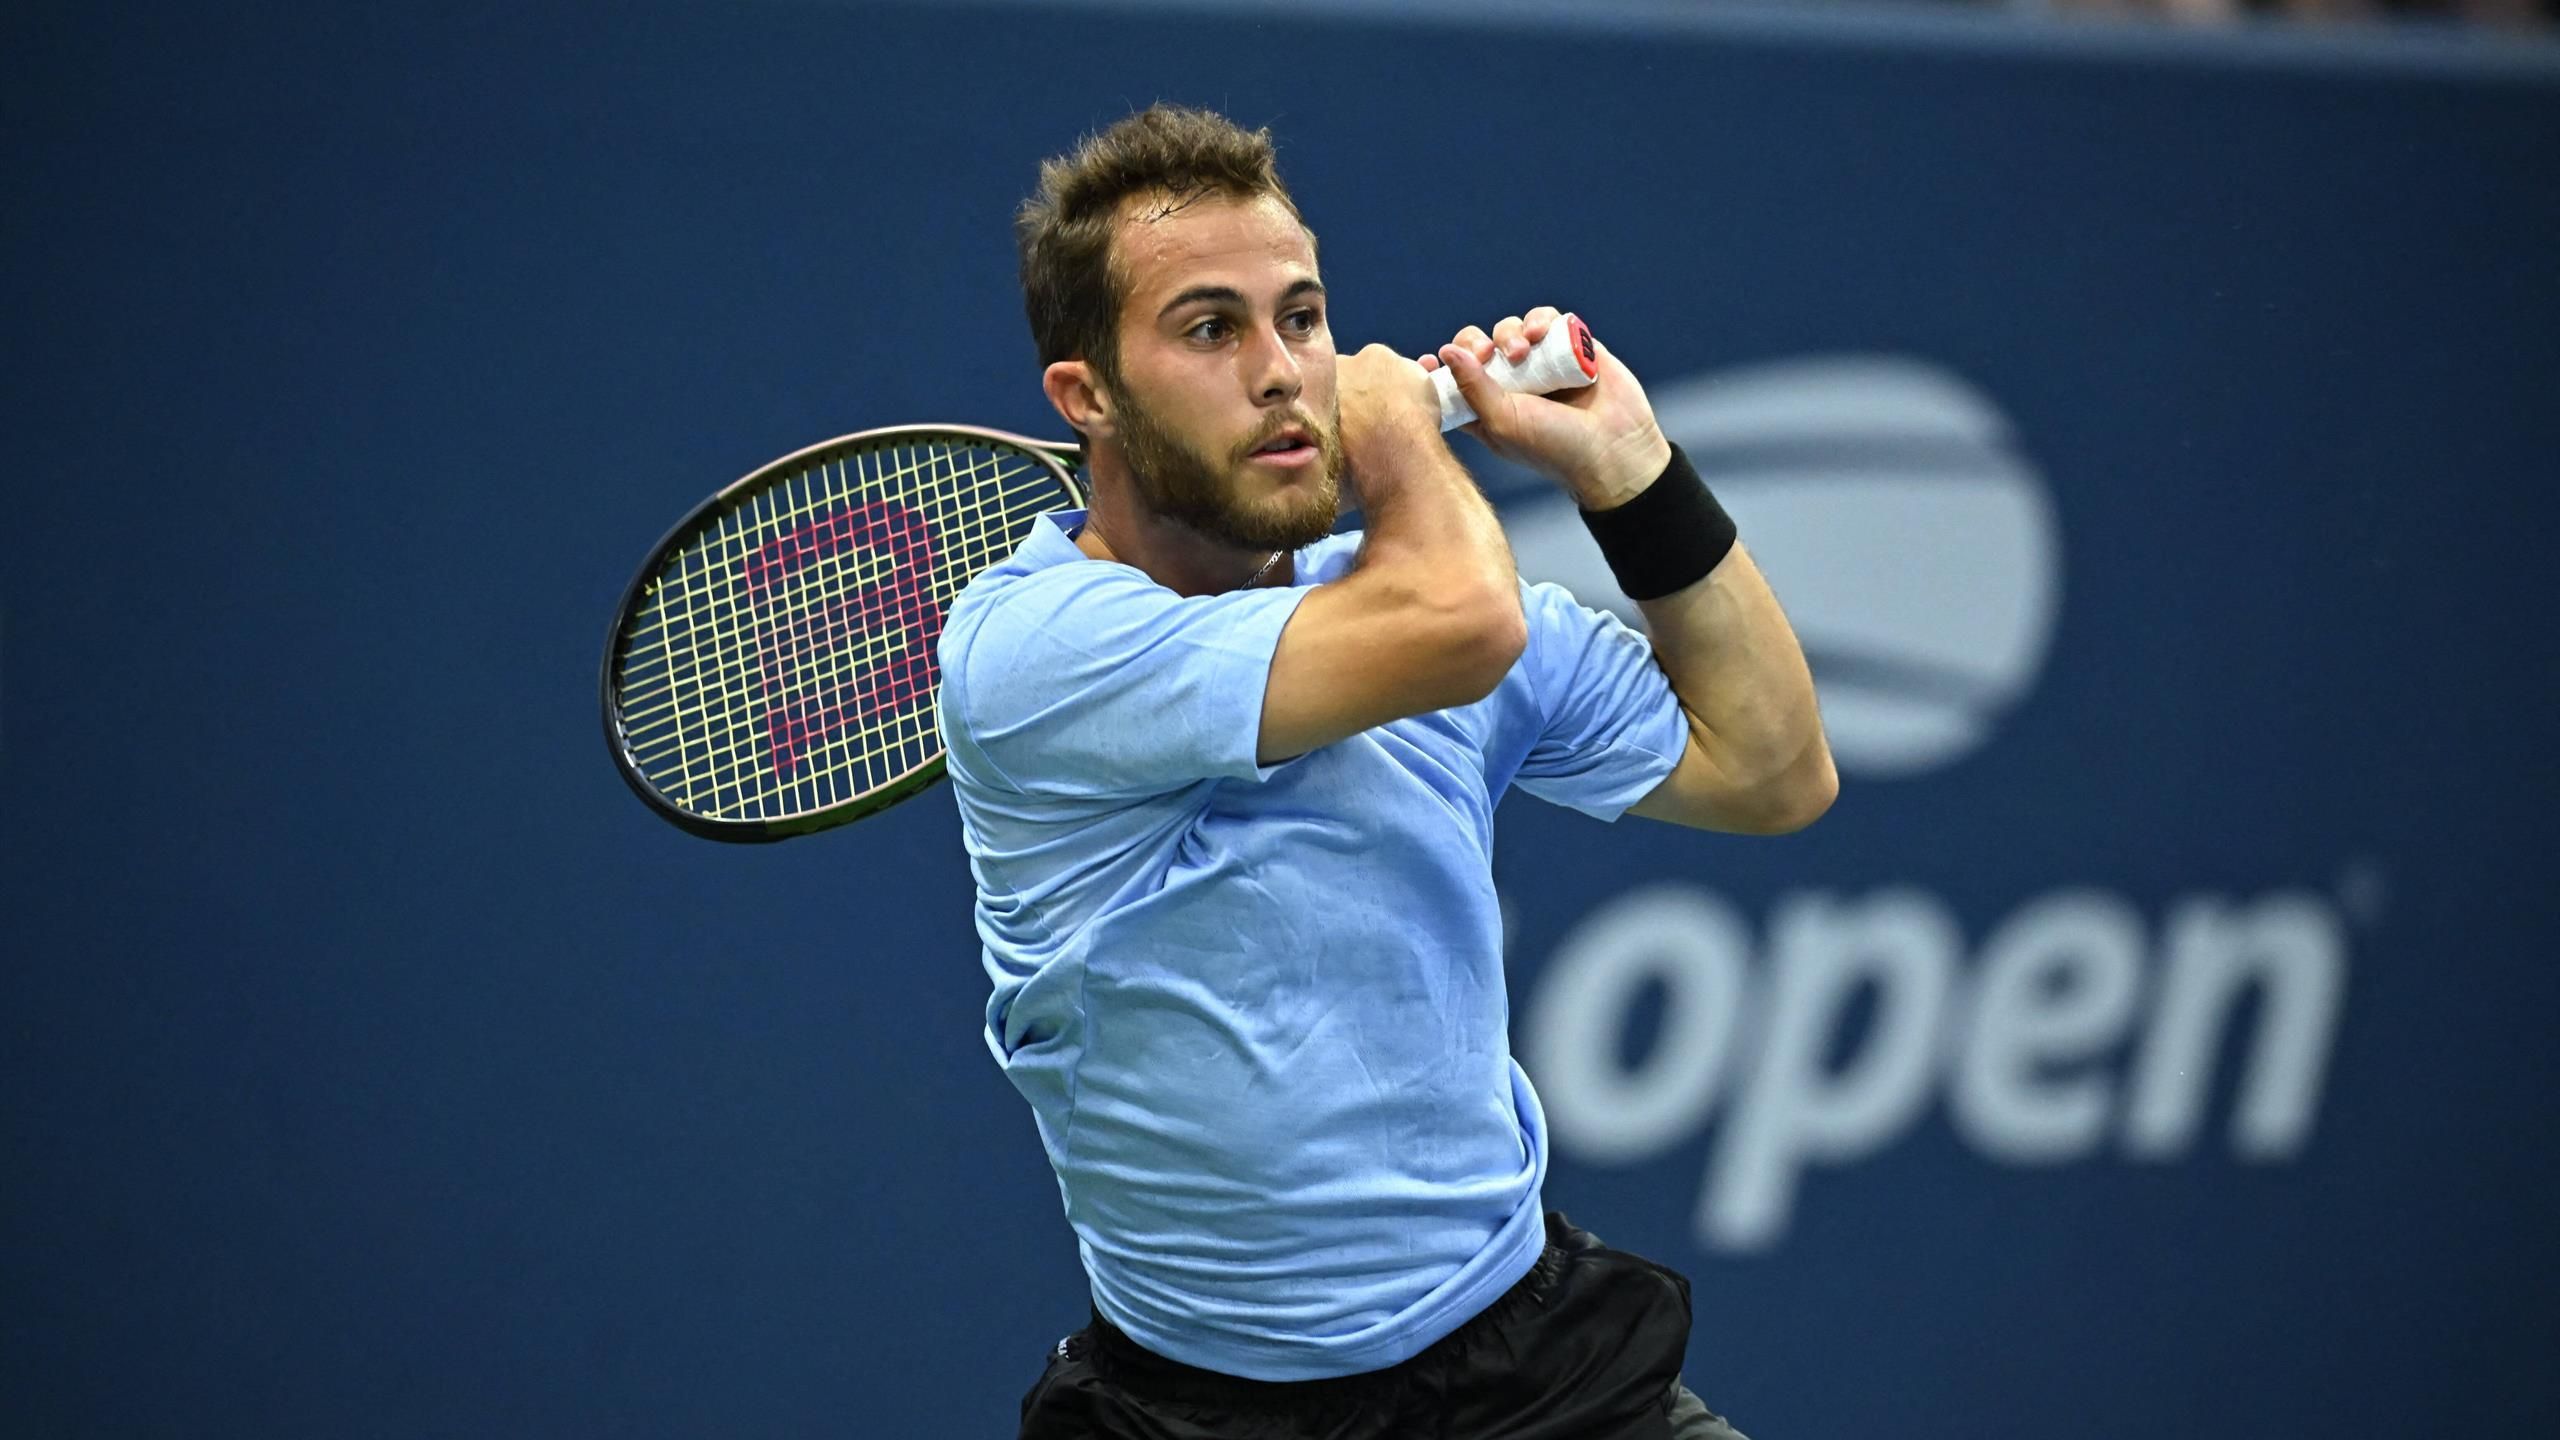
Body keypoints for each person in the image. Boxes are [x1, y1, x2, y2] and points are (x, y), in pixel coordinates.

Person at [938, 104, 1836, 1440]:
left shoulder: (1407, 595)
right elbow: (1461, 626)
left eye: (1302, 318)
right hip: (1200, 1417)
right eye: (1209, 329)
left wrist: (1632, 470)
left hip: (1537, 1378)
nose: (1286, 371)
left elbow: (1771, 773)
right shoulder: (1034, 649)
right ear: (1088, 399)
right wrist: (1402, 435)